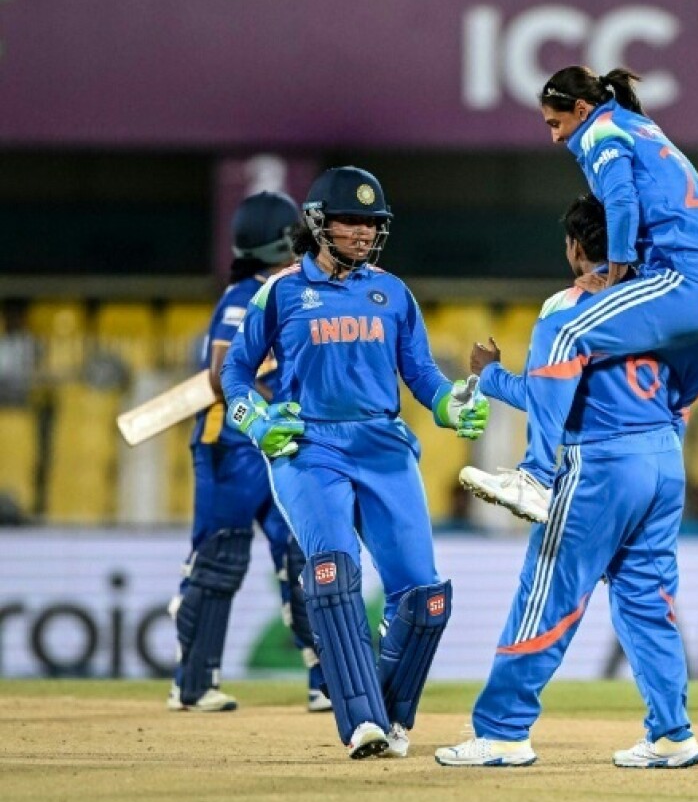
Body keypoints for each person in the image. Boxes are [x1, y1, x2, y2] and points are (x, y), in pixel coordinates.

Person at [220, 166, 490, 759]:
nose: (363, 232)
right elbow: (234, 373)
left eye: (372, 223)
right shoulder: (283, 291)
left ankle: (389, 720)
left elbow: (420, 374)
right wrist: (256, 422)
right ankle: (361, 721)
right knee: (333, 572)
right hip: (308, 446)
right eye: (351, 221)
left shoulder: (392, 292)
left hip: (383, 448)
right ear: (318, 224)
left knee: (425, 597)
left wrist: (452, 406)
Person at [437, 194, 698, 769]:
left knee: (547, 593)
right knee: (647, 602)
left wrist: (488, 377)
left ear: (576, 247)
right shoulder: (657, 298)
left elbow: (545, 395)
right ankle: (672, 734)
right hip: (663, 457)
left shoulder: (567, 306)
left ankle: (504, 732)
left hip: (601, 465)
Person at [459, 66, 698, 525]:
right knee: (670, 404)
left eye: (555, 124)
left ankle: (536, 477)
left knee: (564, 330)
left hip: (691, 280)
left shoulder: (601, 131)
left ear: (581, 110)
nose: (556, 138)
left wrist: (618, 274)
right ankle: (652, 510)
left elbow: (621, 202)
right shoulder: (638, 125)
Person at [167, 191, 328, 714]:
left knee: (305, 558)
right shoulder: (245, 295)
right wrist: (274, 403)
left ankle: (326, 680)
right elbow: (220, 374)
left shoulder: (295, 292)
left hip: (278, 447)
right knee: (221, 558)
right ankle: (192, 683)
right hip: (232, 444)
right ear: (285, 239)